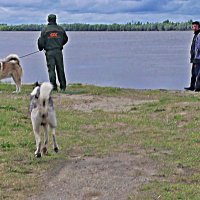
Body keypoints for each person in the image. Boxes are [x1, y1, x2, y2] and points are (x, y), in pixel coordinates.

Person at [38, 14, 68, 91]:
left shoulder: (45, 30)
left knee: (51, 70)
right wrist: (60, 44)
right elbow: (66, 39)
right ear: (55, 20)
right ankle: (63, 87)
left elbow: (41, 42)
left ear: (48, 20)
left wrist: (42, 48)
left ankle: (54, 87)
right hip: (58, 52)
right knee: (60, 69)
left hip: (49, 52)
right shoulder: (60, 29)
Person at [185, 21, 200, 91]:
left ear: (198, 27)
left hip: (198, 58)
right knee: (193, 73)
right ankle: (192, 87)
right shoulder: (196, 34)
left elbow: (198, 47)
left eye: (195, 26)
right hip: (195, 57)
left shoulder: (199, 35)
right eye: (193, 26)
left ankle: (198, 88)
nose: (194, 27)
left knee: (198, 73)